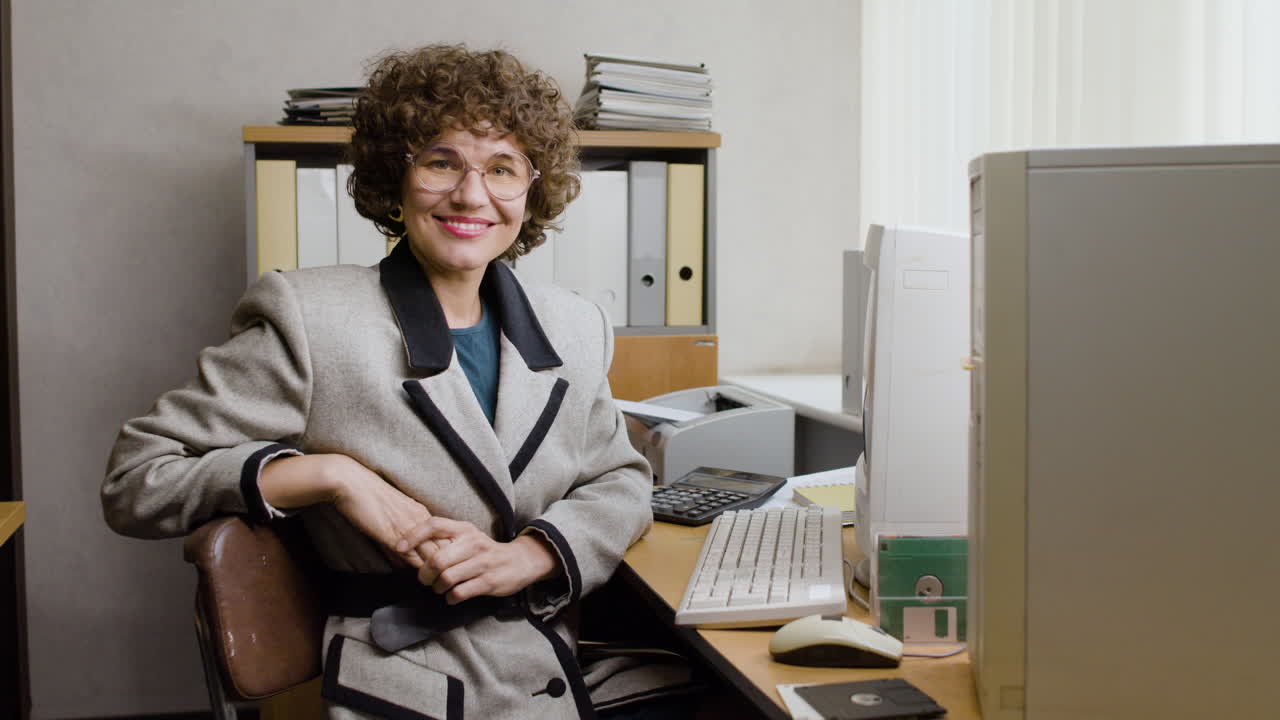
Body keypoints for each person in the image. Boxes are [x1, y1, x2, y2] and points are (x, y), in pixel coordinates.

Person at [103, 45, 672, 719]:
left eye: (502, 168)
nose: (471, 194)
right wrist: (330, 475)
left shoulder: (576, 325)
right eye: (441, 162)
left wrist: (534, 554)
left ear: (531, 189)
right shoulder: (311, 319)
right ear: (394, 179)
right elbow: (137, 479)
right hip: (410, 680)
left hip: (548, 657)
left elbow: (623, 480)